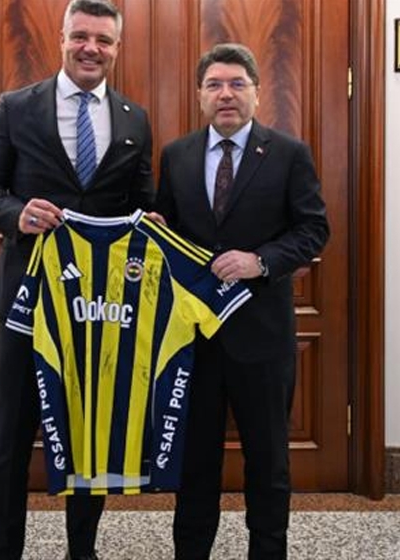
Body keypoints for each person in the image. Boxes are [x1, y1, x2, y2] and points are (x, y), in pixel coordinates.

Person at [0, 1, 155, 558]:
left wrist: (151, 224)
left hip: (99, 307)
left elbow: (142, 201)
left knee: (89, 436)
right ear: (62, 38)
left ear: (117, 48)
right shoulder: (15, 106)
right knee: (11, 437)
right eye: (81, 36)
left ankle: (82, 550)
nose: (91, 48)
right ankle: (3, 551)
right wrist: (17, 213)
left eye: (103, 40)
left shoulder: (134, 118)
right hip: (28, 300)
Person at [156, 43, 330, 559]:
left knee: (268, 461)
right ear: (200, 95)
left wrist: (262, 260)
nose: (226, 94)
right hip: (194, 340)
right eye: (214, 85)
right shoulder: (176, 155)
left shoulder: (289, 153)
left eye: (237, 84)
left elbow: (313, 229)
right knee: (195, 463)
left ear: (257, 92)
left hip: (262, 338)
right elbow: (168, 232)